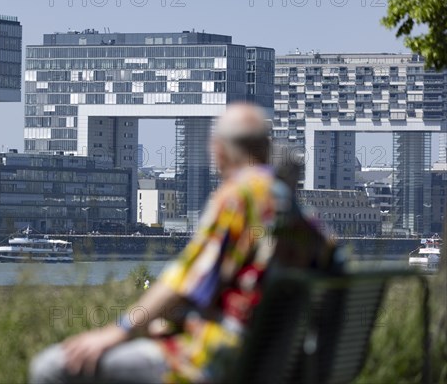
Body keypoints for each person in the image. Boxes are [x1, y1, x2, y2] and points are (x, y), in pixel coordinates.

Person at [29, 103, 332, 384]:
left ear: (219, 152)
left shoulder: (238, 196)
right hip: (279, 360)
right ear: (266, 149)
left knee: (50, 368)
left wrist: (119, 330)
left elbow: (183, 281)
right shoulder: (302, 217)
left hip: (212, 357)